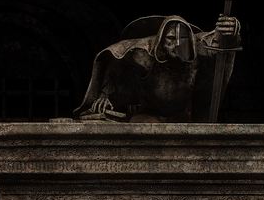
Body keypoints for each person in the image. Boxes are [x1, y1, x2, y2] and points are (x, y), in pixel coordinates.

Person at [74, 13, 240, 123]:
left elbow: (219, 42)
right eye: (170, 38)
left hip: (181, 116)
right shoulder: (144, 55)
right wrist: (105, 93)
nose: (177, 44)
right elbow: (116, 55)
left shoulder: (194, 50)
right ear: (161, 39)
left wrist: (230, 30)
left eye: (182, 38)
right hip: (148, 116)